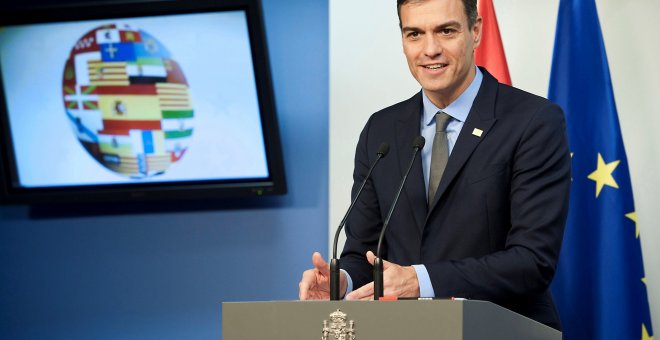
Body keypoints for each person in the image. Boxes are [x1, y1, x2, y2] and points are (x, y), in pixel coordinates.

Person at [299, 0, 570, 330]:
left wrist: (419, 281)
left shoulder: (533, 121)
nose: (430, 50)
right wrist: (342, 281)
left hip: (500, 331)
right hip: (402, 332)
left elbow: (531, 262)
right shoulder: (381, 131)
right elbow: (365, 254)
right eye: (414, 34)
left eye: (446, 31)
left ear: (475, 31)